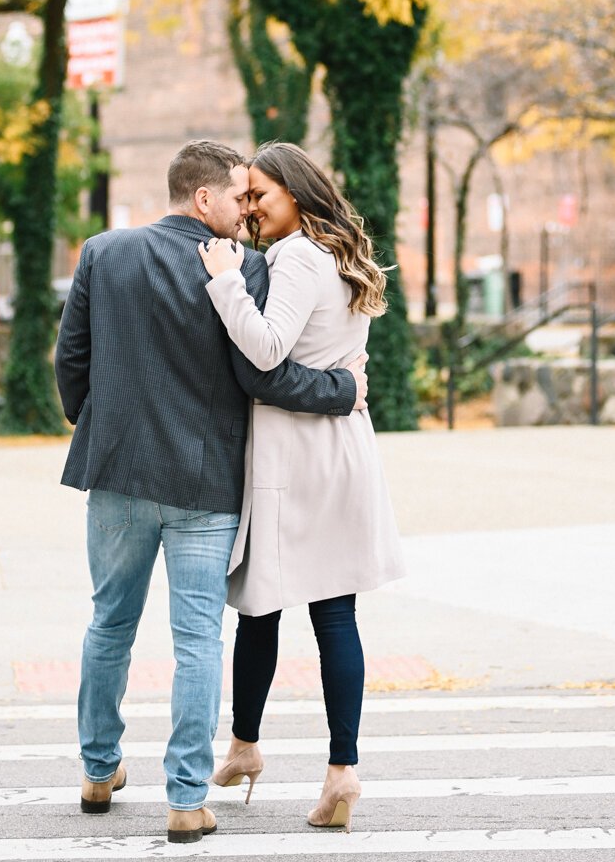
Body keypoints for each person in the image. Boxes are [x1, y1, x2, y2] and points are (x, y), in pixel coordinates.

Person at [54, 140, 367, 844]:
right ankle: (186, 801)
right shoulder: (243, 268)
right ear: (203, 199)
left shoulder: (103, 253)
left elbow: (70, 361)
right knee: (196, 640)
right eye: (237, 196)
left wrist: (101, 428)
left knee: (109, 625)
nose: (245, 211)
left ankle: (99, 771)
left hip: (117, 475)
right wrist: (343, 387)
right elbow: (261, 374)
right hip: (205, 484)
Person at [198, 141, 405, 835]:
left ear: (296, 189)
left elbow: (265, 349)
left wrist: (225, 278)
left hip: (296, 453)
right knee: (331, 613)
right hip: (342, 448)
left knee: (263, 607)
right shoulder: (343, 256)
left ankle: (247, 746)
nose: (250, 207)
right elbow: (341, 356)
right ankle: (334, 768)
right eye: (247, 196)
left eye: (260, 194)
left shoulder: (295, 258)